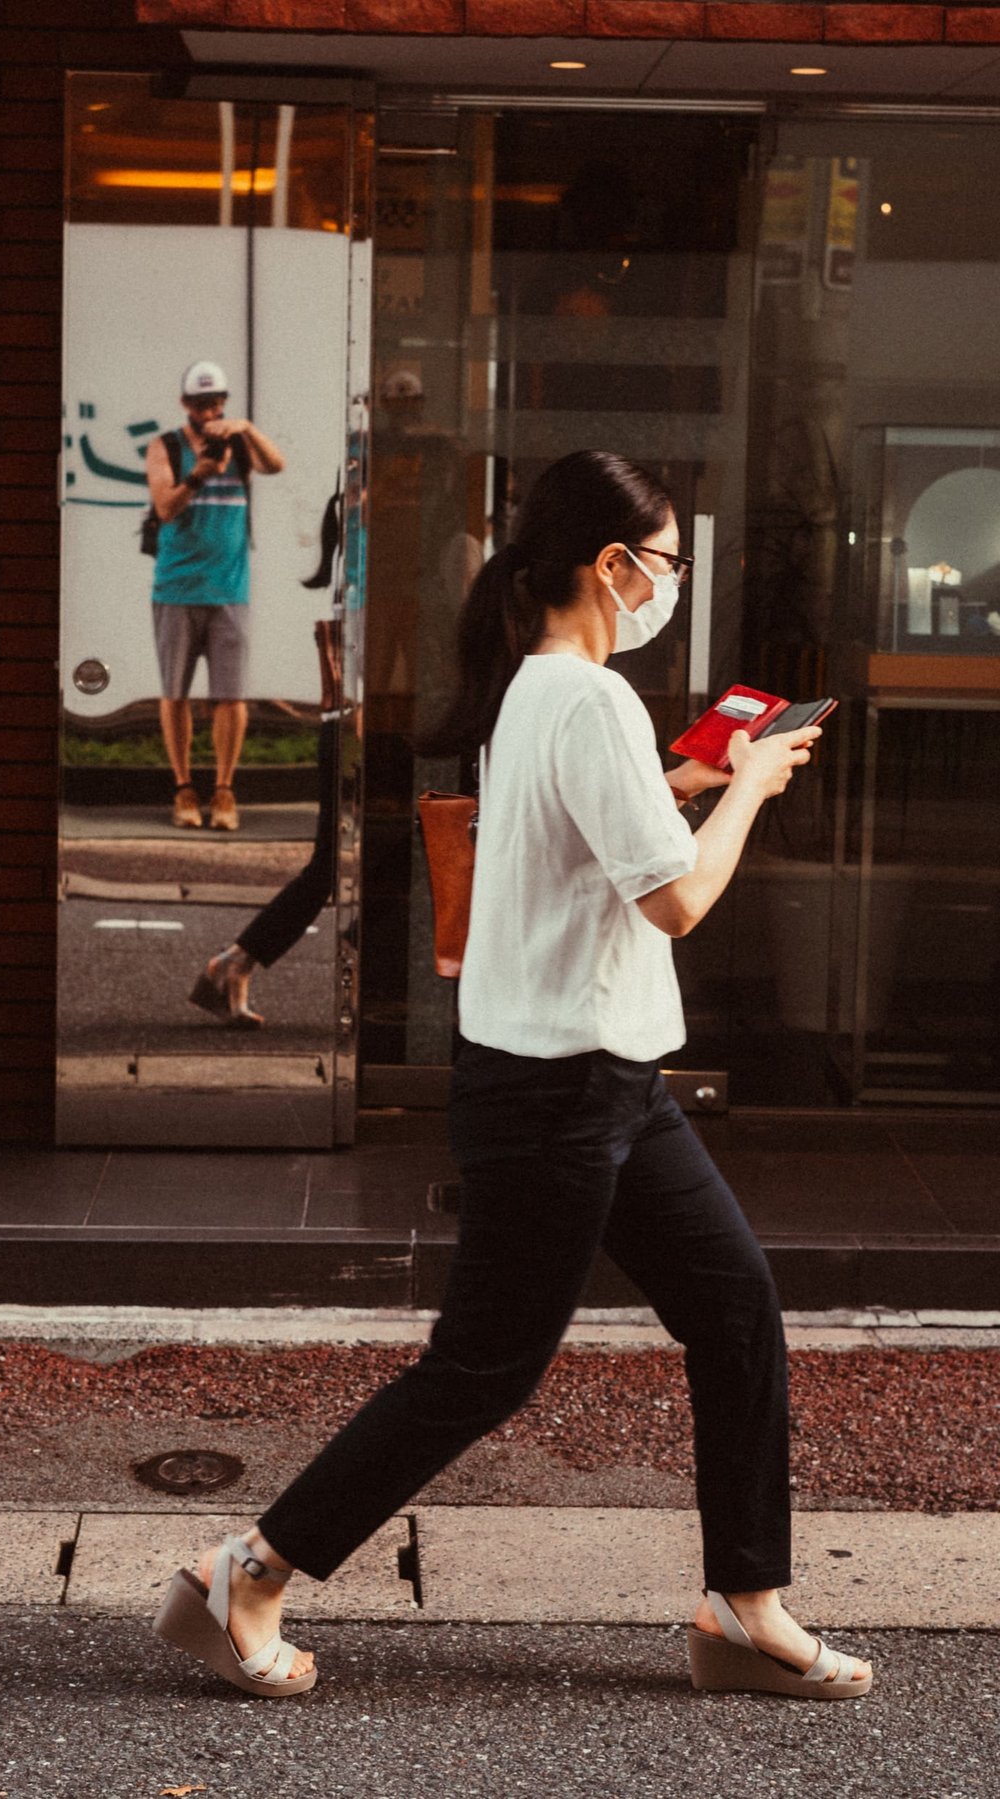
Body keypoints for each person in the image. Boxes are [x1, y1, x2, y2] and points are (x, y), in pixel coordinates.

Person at [151, 450, 874, 1703]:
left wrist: (684, 780)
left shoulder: (542, 692)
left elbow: (597, 833)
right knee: (484, 1367)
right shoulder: (588, 700)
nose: (669, 587)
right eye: (666, 565)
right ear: (612, 565)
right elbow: (679, 898)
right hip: (557, 1094)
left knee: (735, 1305)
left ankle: (745, 1605)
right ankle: (247, 1571)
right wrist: (750, 784)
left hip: (610, 1083)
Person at [146, 359, 285, 832]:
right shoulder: (165, 446)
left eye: (218, 402)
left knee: (231, 696)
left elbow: (276, 464)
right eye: (202, 403)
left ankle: (224, 790)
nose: (211, 411)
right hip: (178, 589)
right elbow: (165, 506)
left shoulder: (239, 445)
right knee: (175, 693)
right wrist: (200, 473)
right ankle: (183, 787)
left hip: (230, 589)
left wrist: (244, 428)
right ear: (185, 405)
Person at [189, 621, 342, 1028]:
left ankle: (235, 963)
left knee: (339, 866)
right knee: (339, 866)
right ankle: (236, 962)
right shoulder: (386, 573)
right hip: (363, 725)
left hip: (354, 721)